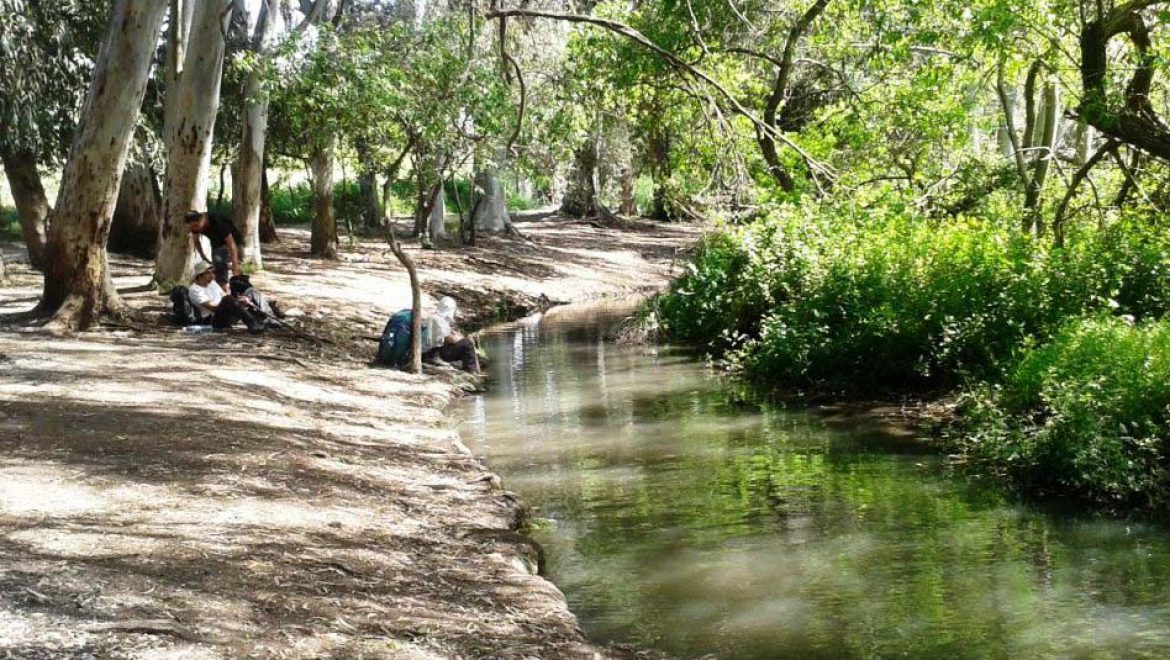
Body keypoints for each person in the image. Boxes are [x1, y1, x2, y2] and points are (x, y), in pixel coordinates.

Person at [187, 263, 269, 332]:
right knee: (228, 299)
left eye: (212, 273)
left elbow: (225, 295)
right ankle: (252, 323)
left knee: (251, 291)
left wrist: (239, 301)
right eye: (208, 273)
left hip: (226, 313)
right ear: (200, 276)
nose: (212, 275)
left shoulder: (212, 283)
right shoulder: (195, 289)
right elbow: (212, 308)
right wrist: (234, 303)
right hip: (213, 319)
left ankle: (266, 317)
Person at [185, 209, 243, 287]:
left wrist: (234, 264)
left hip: (233, 240)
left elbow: (232, 244)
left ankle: (236, 284)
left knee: (221, 261)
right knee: (217, 264)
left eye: (196, 226)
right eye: (191, 227)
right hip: (216, 242)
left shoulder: (217, 222)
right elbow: (196, 241)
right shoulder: (194, 226)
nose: (195, 229)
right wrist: (203, 256)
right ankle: (222, 286)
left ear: (201, 219)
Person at [422, 297, 480, 373]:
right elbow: (450, 339)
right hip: (436, 354)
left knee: (464, 344)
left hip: (427, 352)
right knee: (467, 343)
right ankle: (471, 370)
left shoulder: (432, 318)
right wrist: (461, 338)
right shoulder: (439, 320)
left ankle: (469, 368)